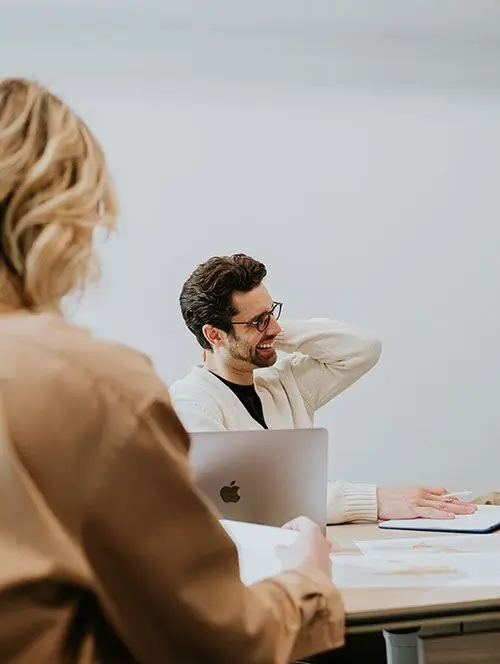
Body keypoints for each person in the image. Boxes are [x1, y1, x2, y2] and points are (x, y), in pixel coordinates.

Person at [0, 78, 345, 664]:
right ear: (70, 215)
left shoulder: (278, 379)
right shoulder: (96, 386)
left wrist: (272, 325)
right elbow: (217, 635)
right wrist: (310, 583)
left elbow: (362, 347)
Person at [170, 254, 476, 524]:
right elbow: (249, 498)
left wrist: (266, 333)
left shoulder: (284, 381)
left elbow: (363, 347)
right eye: (258, 321)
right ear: (214, 334)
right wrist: (374, 500)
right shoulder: (191, 404)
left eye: (271, 312)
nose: (274, 327)